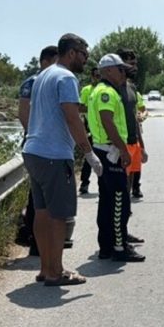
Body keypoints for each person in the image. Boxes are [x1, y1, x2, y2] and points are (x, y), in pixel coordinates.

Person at [23, 33, 102, 286]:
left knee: (42, 212)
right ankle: (56, 272)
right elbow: (71, 117)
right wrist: (88, 152)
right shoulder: (67, 77)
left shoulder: (44, 75)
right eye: (84, 55)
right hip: (54, 155)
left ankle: (46, 268)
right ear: (72, 53)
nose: (86, 61)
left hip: (33, 151)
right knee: (59, 216)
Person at [88, 54, 145, 262]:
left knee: (107, 200)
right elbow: (107, 122)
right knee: (120, 202)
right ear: (109, 70)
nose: (124, 73)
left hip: (104, 150)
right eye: (120, 70)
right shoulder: (107, 93)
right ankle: (120, 248)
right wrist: (122, 150)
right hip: (110, 151)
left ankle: (106, 246)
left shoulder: (100, 90)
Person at [16, 45, 58, 256]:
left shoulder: (52, 80)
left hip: (48, 146)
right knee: (37, 197)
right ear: (44, 61)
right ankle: (35, 242)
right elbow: (23, 113)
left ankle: (44, 240)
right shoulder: (32, 82)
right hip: (39, 146)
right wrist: (36, 136)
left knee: (42, 196)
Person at [118, 49, 149, 200]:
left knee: (130, 180)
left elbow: (135, 117)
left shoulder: (132, 88)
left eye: (136, 64)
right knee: (119, 186)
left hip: (133, 142)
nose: (135, 67)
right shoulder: (112, 89)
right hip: (118, 146)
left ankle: (126, 207)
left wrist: (141, 146)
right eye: (131, 64)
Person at [78, 66, 101, 195]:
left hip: (104, 130)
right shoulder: (87, 90)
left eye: (100, 76)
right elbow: (80, 108)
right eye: (96, 76)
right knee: (89, 157)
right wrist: (94, 109)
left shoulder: (106, 90)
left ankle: (102, 184)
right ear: (92, 77)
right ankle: (84, 183)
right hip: (90, 128)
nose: (98, 78)